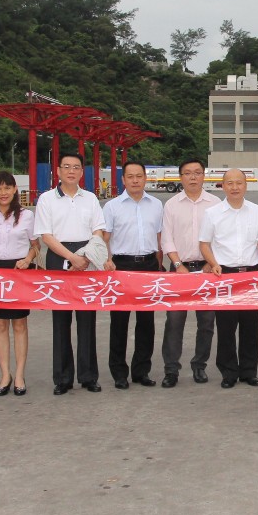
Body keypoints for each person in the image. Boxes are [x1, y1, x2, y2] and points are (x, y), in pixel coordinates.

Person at [33, 152, 107, 395]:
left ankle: (88, 376)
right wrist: (71, 258)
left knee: (87, 320)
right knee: (61, 320)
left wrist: (84, 256)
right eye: (66, 166)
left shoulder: (90, 198)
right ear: (58, 171)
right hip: (59, 257)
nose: (71, 171)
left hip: (87, 257)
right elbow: (46, 236)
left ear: (82, 171)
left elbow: (98, 230)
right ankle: (63, 378)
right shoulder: (46, 199)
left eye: (76, 167)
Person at [199, 169, 258, 388]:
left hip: (251, 274)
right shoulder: (212, 213)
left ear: (246, 185)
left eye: (239, 183)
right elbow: (204, 244)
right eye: (230, 183)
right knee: (226, 327)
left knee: (250, 326)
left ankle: (249, 371)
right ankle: (228, 372)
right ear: (223, 186)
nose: (235, 187)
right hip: (224, 275)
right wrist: (213, 263)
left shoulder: (257, 211)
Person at [102, 160, 165, 387]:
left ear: (145, 178)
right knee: (119, 322)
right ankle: (119, 373)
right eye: (130, 176)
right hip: (121, 267)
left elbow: (160, 238)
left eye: (139, 176)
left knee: (146, 322)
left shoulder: (156, 205)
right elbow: (104, 238)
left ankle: (141, 371)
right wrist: (107, 260)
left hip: (149, 266)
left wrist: (159, 265)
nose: (135, 180)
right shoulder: (112, 207)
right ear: (123, 180)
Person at [0, 170, 38, 396]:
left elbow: (35, 244)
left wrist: (28, 259)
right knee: (0, 324)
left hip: (19, 271)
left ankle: (19, 375)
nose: (3, 193)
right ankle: (5, 375)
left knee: (19, 324)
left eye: (7, 188)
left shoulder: (26, 216)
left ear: (15, 190)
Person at [160, 158, 220, 383]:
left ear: (204, 176)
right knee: (174, 322)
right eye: (187, 173)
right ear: (180, 177)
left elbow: (219, 238)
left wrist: (210, 263)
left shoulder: (215, 203)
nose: (193, 177)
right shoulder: (171, 205)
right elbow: (167, 238)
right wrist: (177, 265)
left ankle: (199, 365)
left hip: (207, 270)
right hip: (179, 269)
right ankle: (171, 369)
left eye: (197, 172)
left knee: (206, 322)